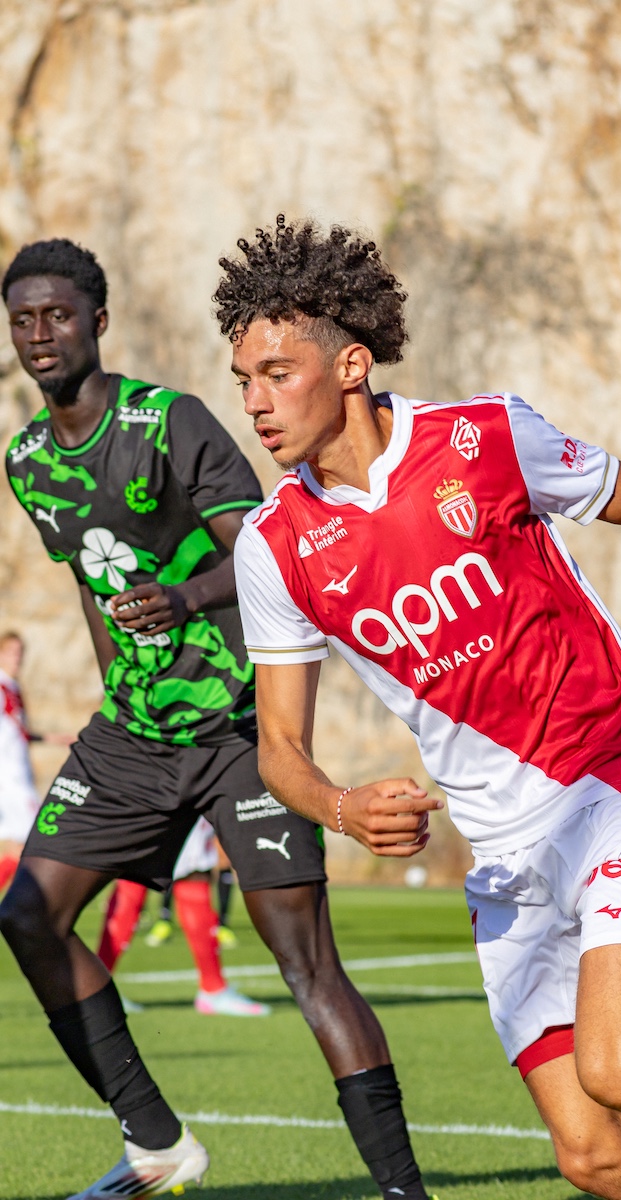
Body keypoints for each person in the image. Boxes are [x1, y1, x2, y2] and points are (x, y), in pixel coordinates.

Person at [215, 214, 621, 1200]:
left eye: (277, 373)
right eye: (243, 378)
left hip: (613, 784)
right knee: (597, 1157)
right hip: (503, 852)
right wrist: (342, 809)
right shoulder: (273, 546)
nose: (254, 401)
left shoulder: (485, 439)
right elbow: (279, 747)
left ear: (351, 365)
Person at [0, 238, 431, 1200]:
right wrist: (116, 690)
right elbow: (92, 588)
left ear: (98, 322)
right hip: (132, 736)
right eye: (22, 319)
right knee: (27, 916)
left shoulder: (167, 422)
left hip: (241, 727)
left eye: (58, 315)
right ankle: (155, 1144)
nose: (40, 335)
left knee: (306, 965)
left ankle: (406, 1191)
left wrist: (184, 601)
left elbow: (265, 550)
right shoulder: (26, 461)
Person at [98, 817, 269, 1015]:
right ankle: (213, 988)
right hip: (173, 803)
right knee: (177, 875)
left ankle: (96, 986)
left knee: (140, 875)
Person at [0, 630, 72, 891]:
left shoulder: (13, 688)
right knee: (37, 836)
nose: (17, 658)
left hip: (19, 774)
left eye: (20, 652)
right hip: (9, 779)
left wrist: (51, 738)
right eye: (11, 652)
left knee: (21, 845)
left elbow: (15, 732)